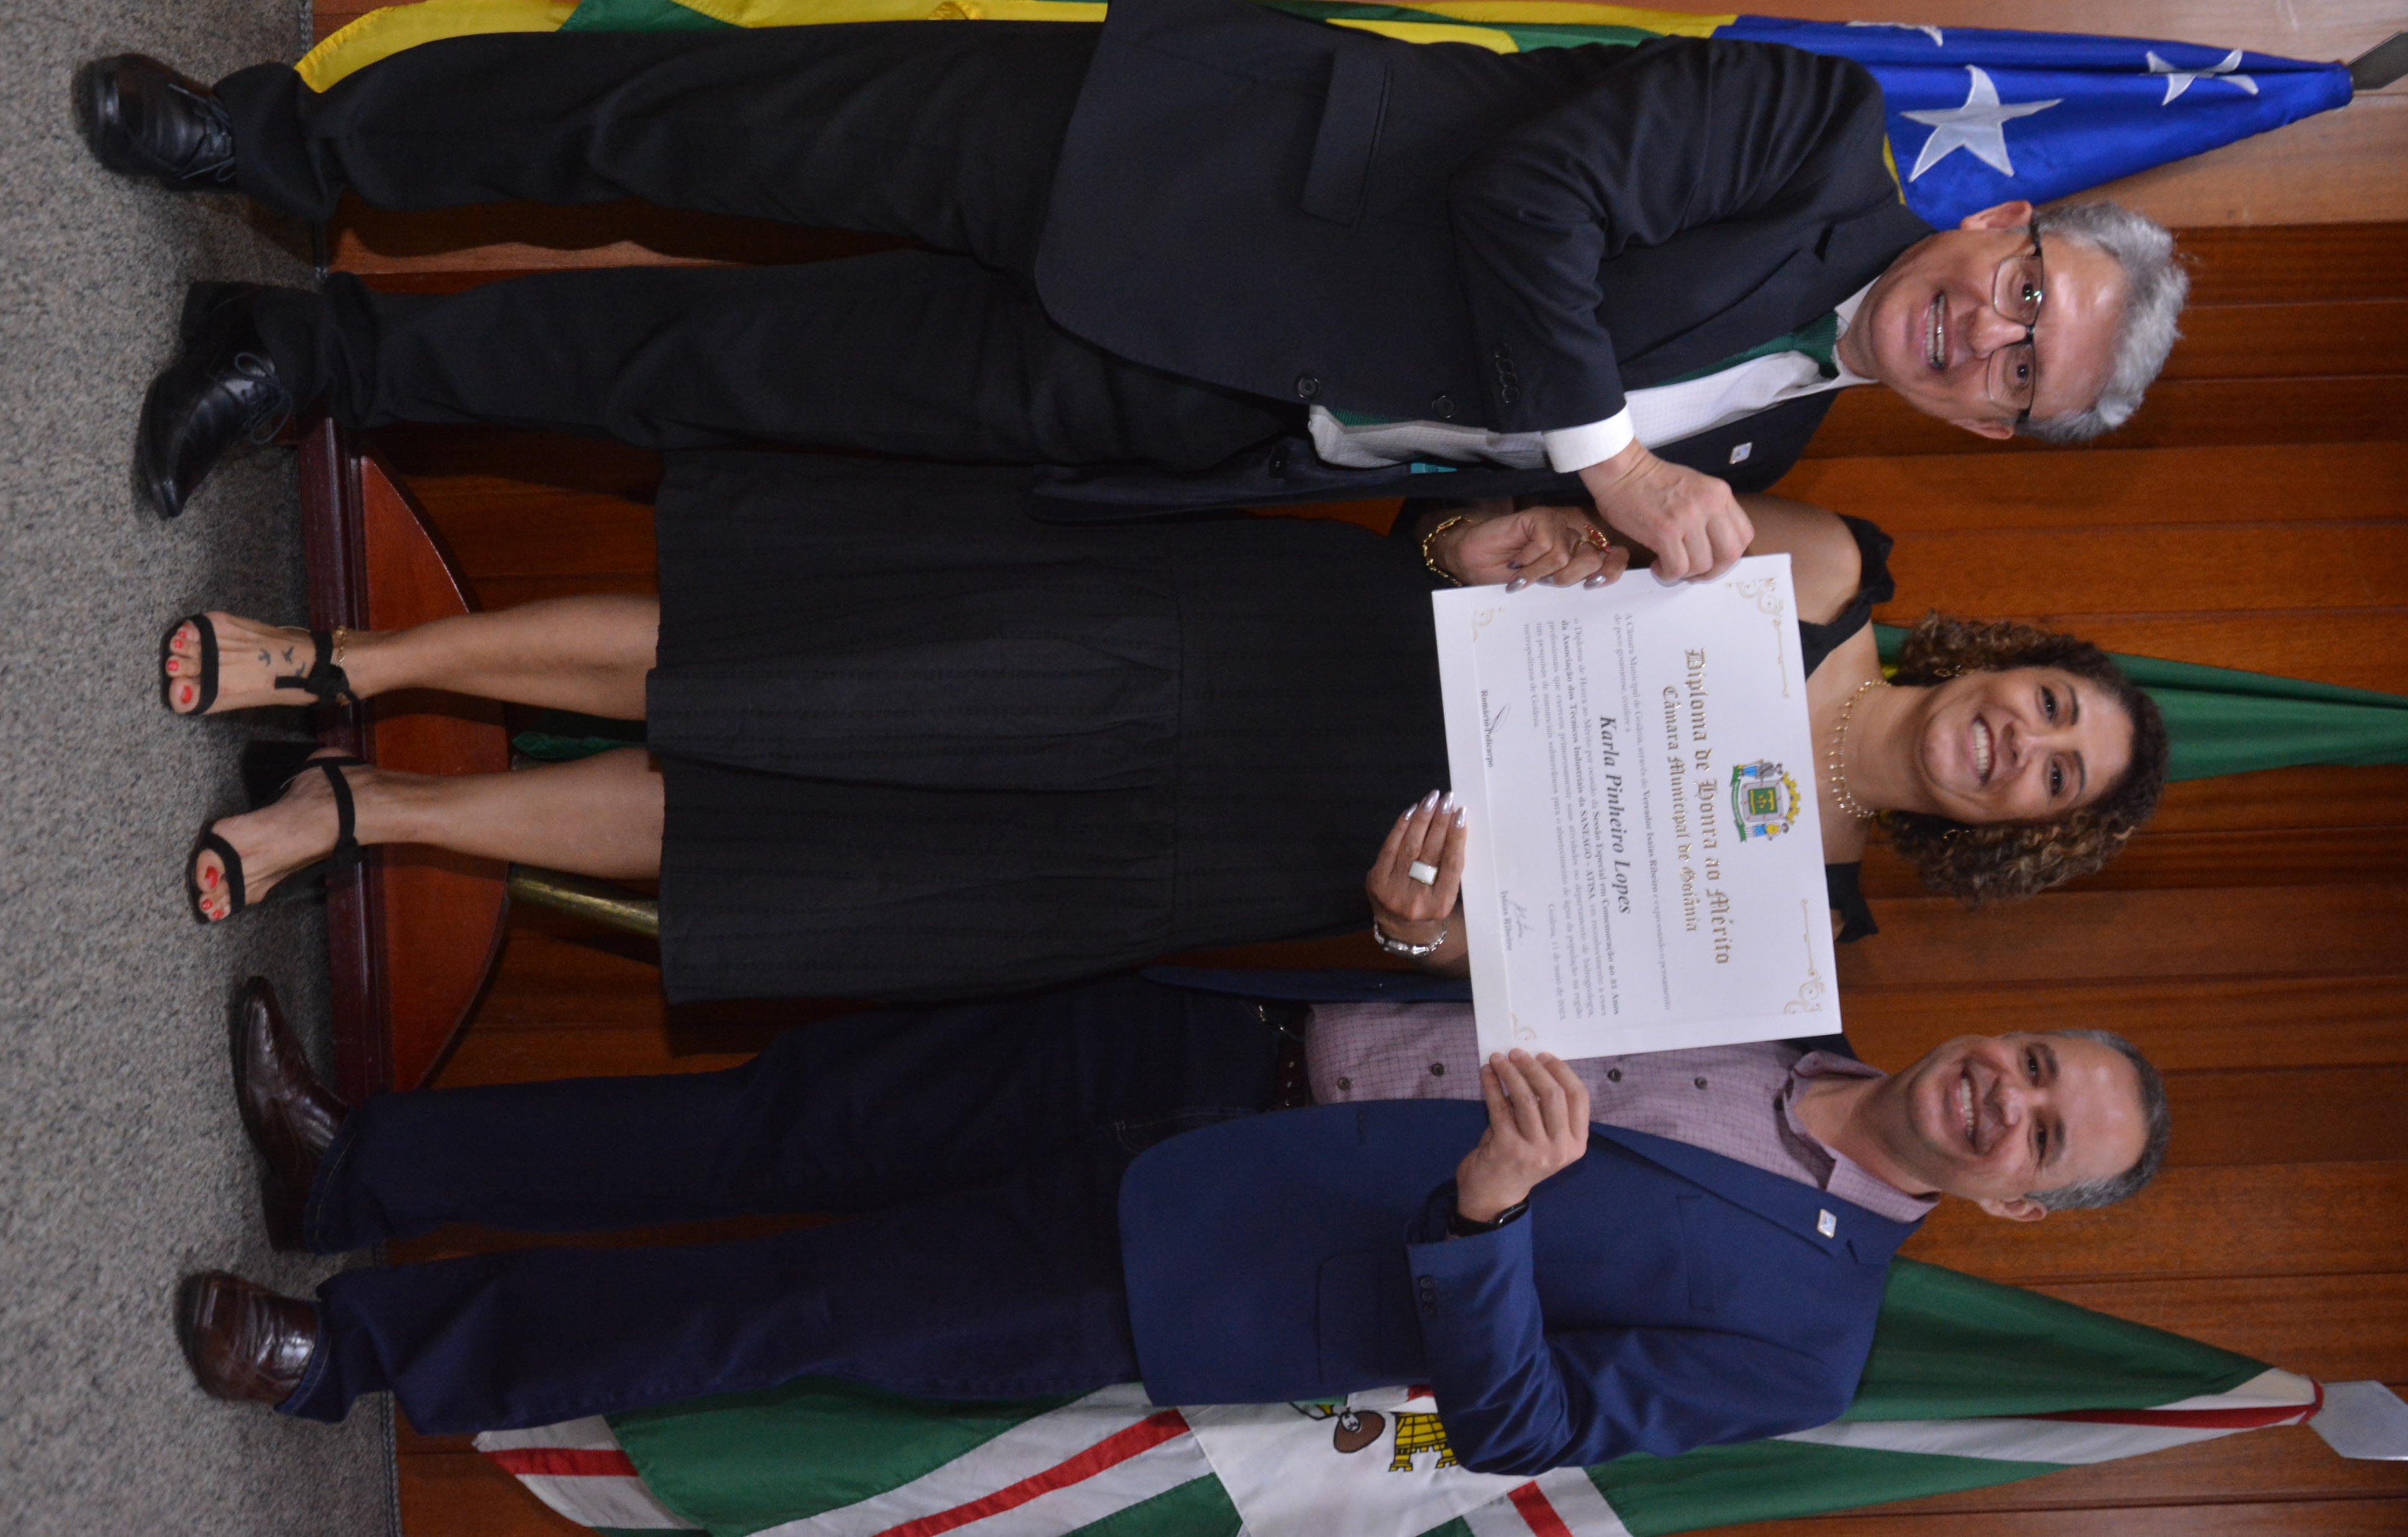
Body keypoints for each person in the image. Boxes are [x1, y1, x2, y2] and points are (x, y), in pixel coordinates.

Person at [80, 0, 2186, 577]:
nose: (1992, 338)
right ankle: (272, 142)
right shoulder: (1816, 130)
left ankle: (307, 357)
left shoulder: (1774, 453)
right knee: (687, 129)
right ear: (2002, 222)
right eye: (2028, 297)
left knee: (692, 369)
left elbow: (1466, 489)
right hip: (1172, 166)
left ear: (1997, 428)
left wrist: (1494, 548)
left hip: (1183, 405)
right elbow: (1542, 198)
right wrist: (1609, 468)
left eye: (2027, 373)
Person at [164, 457, 2164, 993]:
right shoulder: (1830, 575)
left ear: (2029, 833)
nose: (2026, 745)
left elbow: (1518, 975)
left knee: (770, 849)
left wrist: (1415, 927)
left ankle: (373, 820)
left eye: (2056, 779)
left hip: (1231, 853)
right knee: (760, 666)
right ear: (2017, 661)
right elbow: (1550, 498)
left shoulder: (1818, 929)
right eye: (2053, 706)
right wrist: (1497, 538)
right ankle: (358, 667)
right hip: (1249, 650)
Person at [180, 973, 2169, 1469]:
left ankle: (350, 1356)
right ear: (1999, 1025)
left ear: (2021, 1206)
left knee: (776, 1308)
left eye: (2040, 1134)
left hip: (1207, 1263)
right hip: (1209, 1033)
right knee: (766, 1119)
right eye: (2031, 1059)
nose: (2003, 1096)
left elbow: (1528, 1428)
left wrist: (1489, 1217)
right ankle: (356, 1172)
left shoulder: (1809, 1347)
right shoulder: (1770, 971)